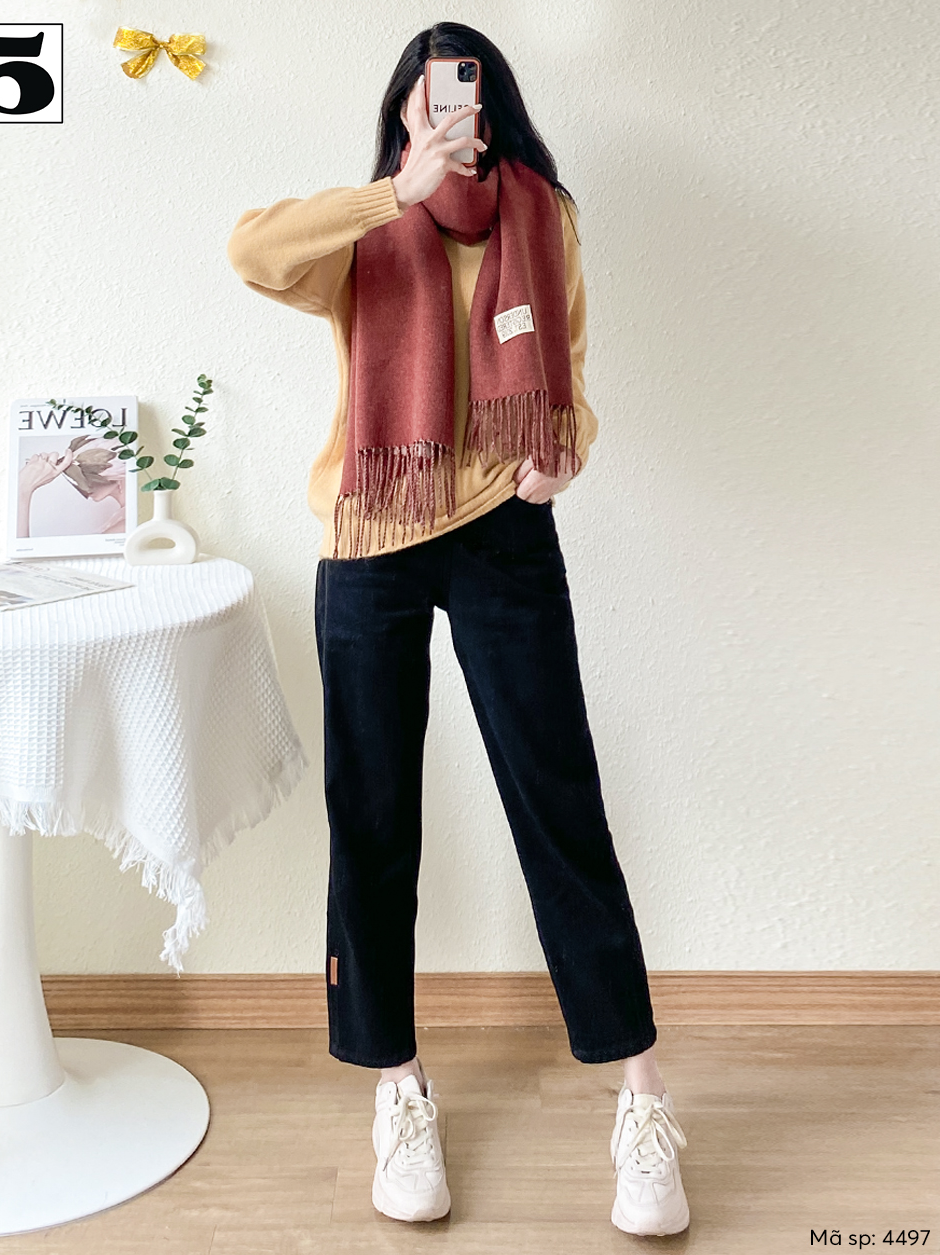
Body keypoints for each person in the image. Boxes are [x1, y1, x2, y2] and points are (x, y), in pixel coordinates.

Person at [228, 22, 689, 1237]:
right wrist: (396, 191)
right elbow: (249, 252)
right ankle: (399, 1087)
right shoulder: (360, 225)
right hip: (372, 536)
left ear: (492, 103)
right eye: (426, 98)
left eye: (463, 93)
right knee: (374, 815)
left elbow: (569, 364)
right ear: (404, 111)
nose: (447, 112)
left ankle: (642, 1100)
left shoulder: (544, 213)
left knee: (560, 804)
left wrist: (567, 455)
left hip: (503, 536)